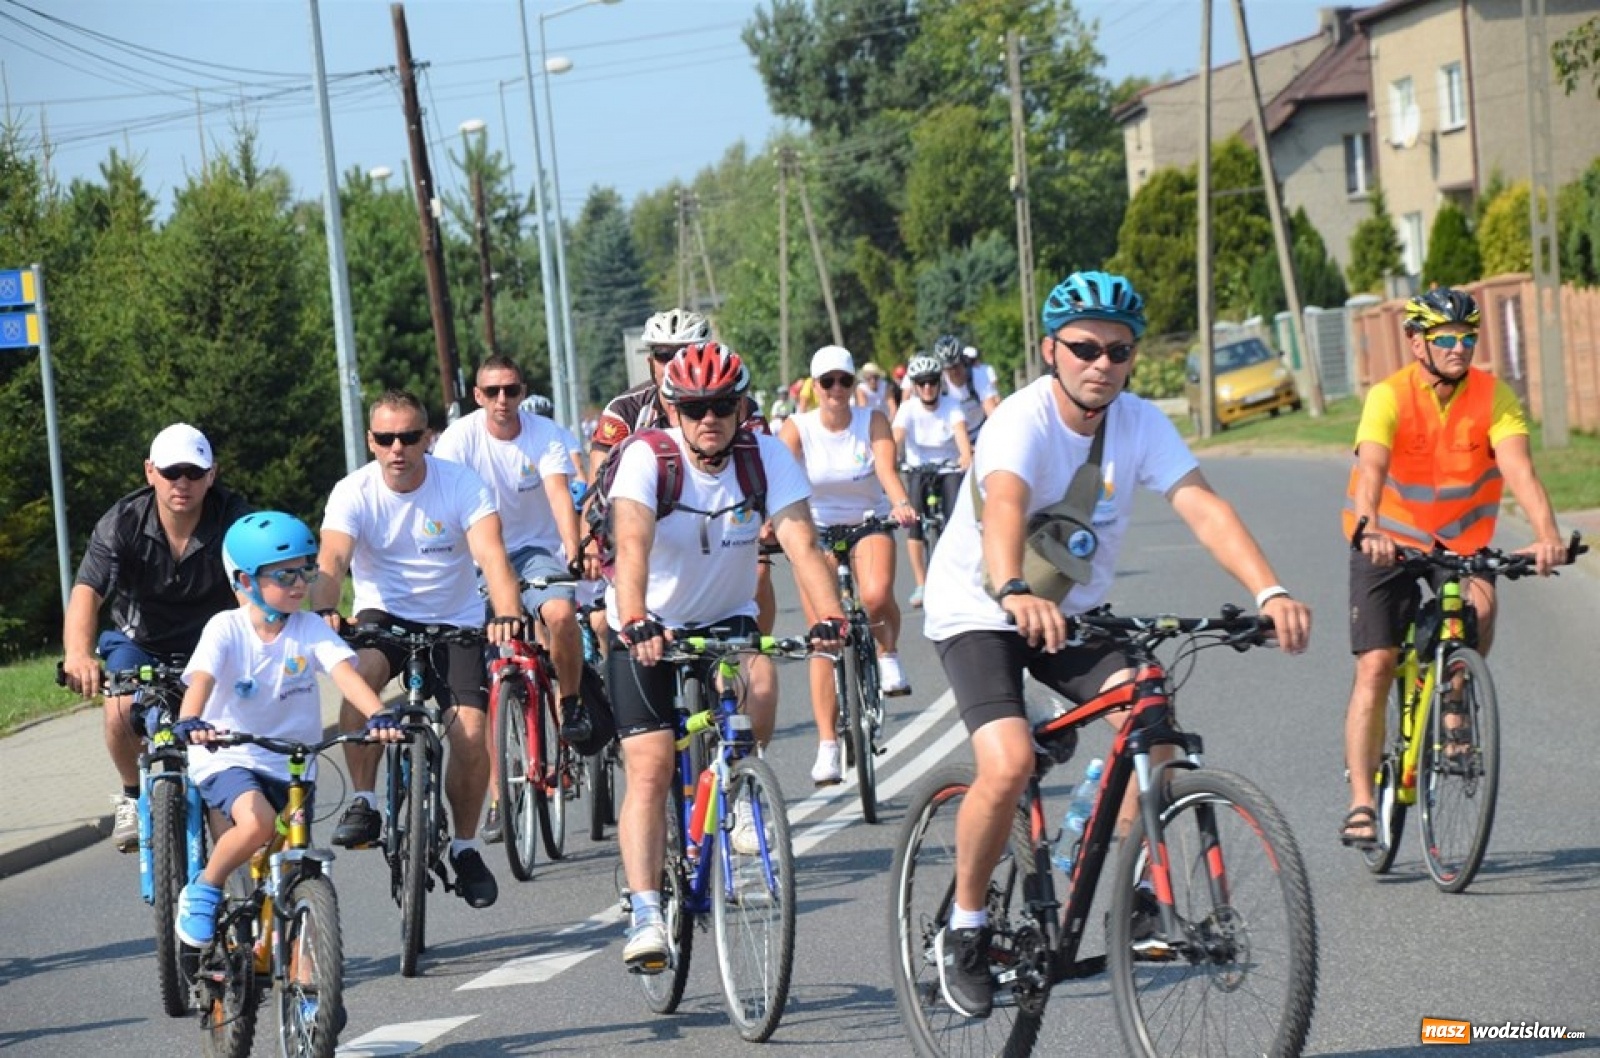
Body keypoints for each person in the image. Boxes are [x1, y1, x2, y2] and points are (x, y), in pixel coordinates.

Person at [922, 270, 1311, 1019]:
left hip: (1074, 612)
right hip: (980, 604)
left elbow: (1201, 504)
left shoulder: (1140, 423)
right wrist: (1012, 588)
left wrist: (1269, 590)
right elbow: (1004, 504)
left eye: (1119, 350)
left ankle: (1137, 889)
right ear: (1051, 350)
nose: (1101, 363)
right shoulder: (1020, 421)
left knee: (1155, 723)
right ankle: (964, 931)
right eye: (1084, 348)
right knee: (1004, 762)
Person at [606, 341, 847, 974]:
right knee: (652, 766)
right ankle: (645, 912)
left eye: (721, 405)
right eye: (693, 407)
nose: (708, 418)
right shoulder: (646, 458)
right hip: (646, 623)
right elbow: (630, 546)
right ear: (671, 408)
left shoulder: (765, 458)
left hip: (723, 618)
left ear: (742, 407)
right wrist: (634, 620)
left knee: (760, 680)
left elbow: (801, 541)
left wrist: (829, 617)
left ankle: (740, 788)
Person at [1338, 287, 1566, 850]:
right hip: (1387, 540)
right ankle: (1362, 802)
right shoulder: (1388, 396)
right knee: (1376, 665)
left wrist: (1547, 535)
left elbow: (1520, 470)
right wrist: (1372, 529)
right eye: (1445, 338)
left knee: (1482, 606)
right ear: (1416, 342)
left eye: (1468, 337)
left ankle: (1455, 695)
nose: (1459, 347)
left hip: (1459, 540)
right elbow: (1371, 468)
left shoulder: (1494, 396)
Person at [311, 390, 526, 910]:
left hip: (454, 621)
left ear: (427, 438)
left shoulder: (460, 484)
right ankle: (364, 801)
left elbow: (492, 556)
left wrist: (506, 613)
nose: (397, 448)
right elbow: (332, 559)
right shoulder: (353, 491)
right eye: (385, 439)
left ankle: (466, 844)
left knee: (471, 731)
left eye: (409, 437)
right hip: (383, 618)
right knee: (357, 674)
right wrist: (322, 612)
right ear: (371, 441)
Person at [168, 512, 403, 947]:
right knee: (256, 824)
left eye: (306, 569)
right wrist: (191, 721)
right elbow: (200, 681)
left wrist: (378, 715)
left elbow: (347, 677)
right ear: (245, 580)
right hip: (230, 754)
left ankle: (290, 957)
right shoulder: (225, 629)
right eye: (285, 574)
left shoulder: (310, 628)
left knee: (292, 864)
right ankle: (204, 888)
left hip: (293, 764)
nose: (300, 583)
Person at [60, 423, 250, 852]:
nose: (182, 483)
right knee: (120, 707)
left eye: (194, 472)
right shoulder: (121, 522)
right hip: (139, 641)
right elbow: (87, 592)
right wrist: (77, 654)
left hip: (213, 642)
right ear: (150, 472)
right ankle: (131, 794)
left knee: (234, 732)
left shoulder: (234, 518)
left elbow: (252, 587)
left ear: (212, 475)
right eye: (171, 472)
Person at [435, 357, 593, 844]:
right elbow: (443, 499)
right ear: (478, 397)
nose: (503, 400)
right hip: (477, 557)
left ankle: (569, 705)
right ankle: (502, 800)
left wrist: (573, 549)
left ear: (522, 392)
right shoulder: (459, 439)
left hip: (532, 552)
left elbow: (560, 496)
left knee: (562, 613)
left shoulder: (544, 434)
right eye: (492, 391)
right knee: (485, 682)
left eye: (511, 389)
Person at [779, 345, 919, 785]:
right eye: (828, 382)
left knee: (876, 595)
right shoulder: (796, 428)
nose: (837, 390)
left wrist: (900, 504)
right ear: (814, 386)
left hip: (867, 521)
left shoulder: (872, 420)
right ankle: (827, 746)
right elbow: (780, 481)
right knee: (824, 636)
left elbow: (886, 470)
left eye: (845, 380)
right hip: (816, 530)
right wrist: (772, 525)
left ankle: (888, 651)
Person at [590, 307, 776, 631]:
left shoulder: (736, 404)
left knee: (758, 571)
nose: (672, 362)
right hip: (652, 521)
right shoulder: (625, 410)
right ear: (650, 361)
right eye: (663, 355)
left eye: (682, 353)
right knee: (606, 624)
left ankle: (749, 651)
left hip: (724, 515)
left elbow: (765, 472)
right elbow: (600, 485)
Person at [892, 354, 973, 609]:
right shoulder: (908, 409)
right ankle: (921, 583)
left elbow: (961, 435)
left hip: (948, 468)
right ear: (915, 386)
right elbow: (897, 437)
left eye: (932, 382)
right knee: (913, 521)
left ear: (939, 383)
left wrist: (966, 457)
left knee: (954, 519)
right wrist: (891, 458)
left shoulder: (952, 406)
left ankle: (957, 579)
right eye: (922, 383)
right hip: (918, 469)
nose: (927, 387)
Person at [935, 334, 1000, 443]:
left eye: (956, 365)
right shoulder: (939, 384)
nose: (954, 372)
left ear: (962, 360)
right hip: (953, 438)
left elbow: (991, 411)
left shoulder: (977, 375)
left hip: (980, 431)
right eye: (948, 368)